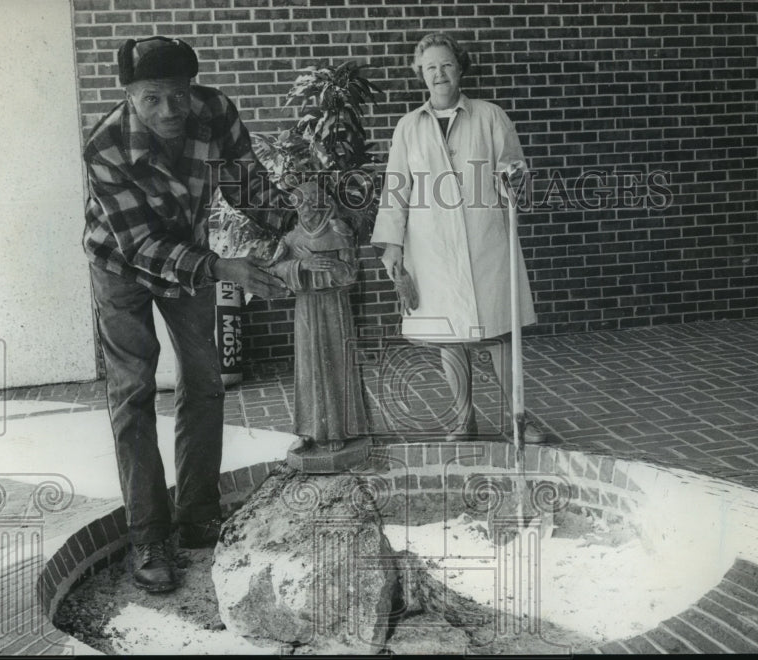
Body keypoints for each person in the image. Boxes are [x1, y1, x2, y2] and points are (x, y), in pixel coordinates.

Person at [83, 36, 287, 593]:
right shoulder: (104, 146)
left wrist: (298, 231)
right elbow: (142, 244)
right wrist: (224, 268)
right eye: (152, 99)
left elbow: (250, 187)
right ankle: (148, 535)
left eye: (177, 95)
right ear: (129, 96)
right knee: (133, 392)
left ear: (191, 88)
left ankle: (198, 516)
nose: (170, 111)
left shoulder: (216, 111)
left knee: (205, 382)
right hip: (123, 266)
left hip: (193, 260)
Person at [371, 32, 545, 444]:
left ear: (460, 67)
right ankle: (462, 419)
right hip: (432, 247)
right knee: (450, 336)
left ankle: (518, 417)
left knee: (498, 333)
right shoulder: (408, 127)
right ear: (421, 75)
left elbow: (515, 170)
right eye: (430, 67)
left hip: (486, 241)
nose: (439, 74)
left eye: (446, 65)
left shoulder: (490, 116)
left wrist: (514, 177)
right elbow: (396, 188)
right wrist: (392, 246)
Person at [268, 179, 368, 451]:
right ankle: (308, 431)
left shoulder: (340, 234)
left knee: (337, 363)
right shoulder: (292, 239)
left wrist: (334, 265)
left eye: (312, 207)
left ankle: (339, 431)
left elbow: (351, 274)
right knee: (308, 367)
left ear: (324, 207)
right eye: (301, 208)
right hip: (306, 308)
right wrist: (301, 265)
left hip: (335, 307)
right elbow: (275, 269)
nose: (307, 213)